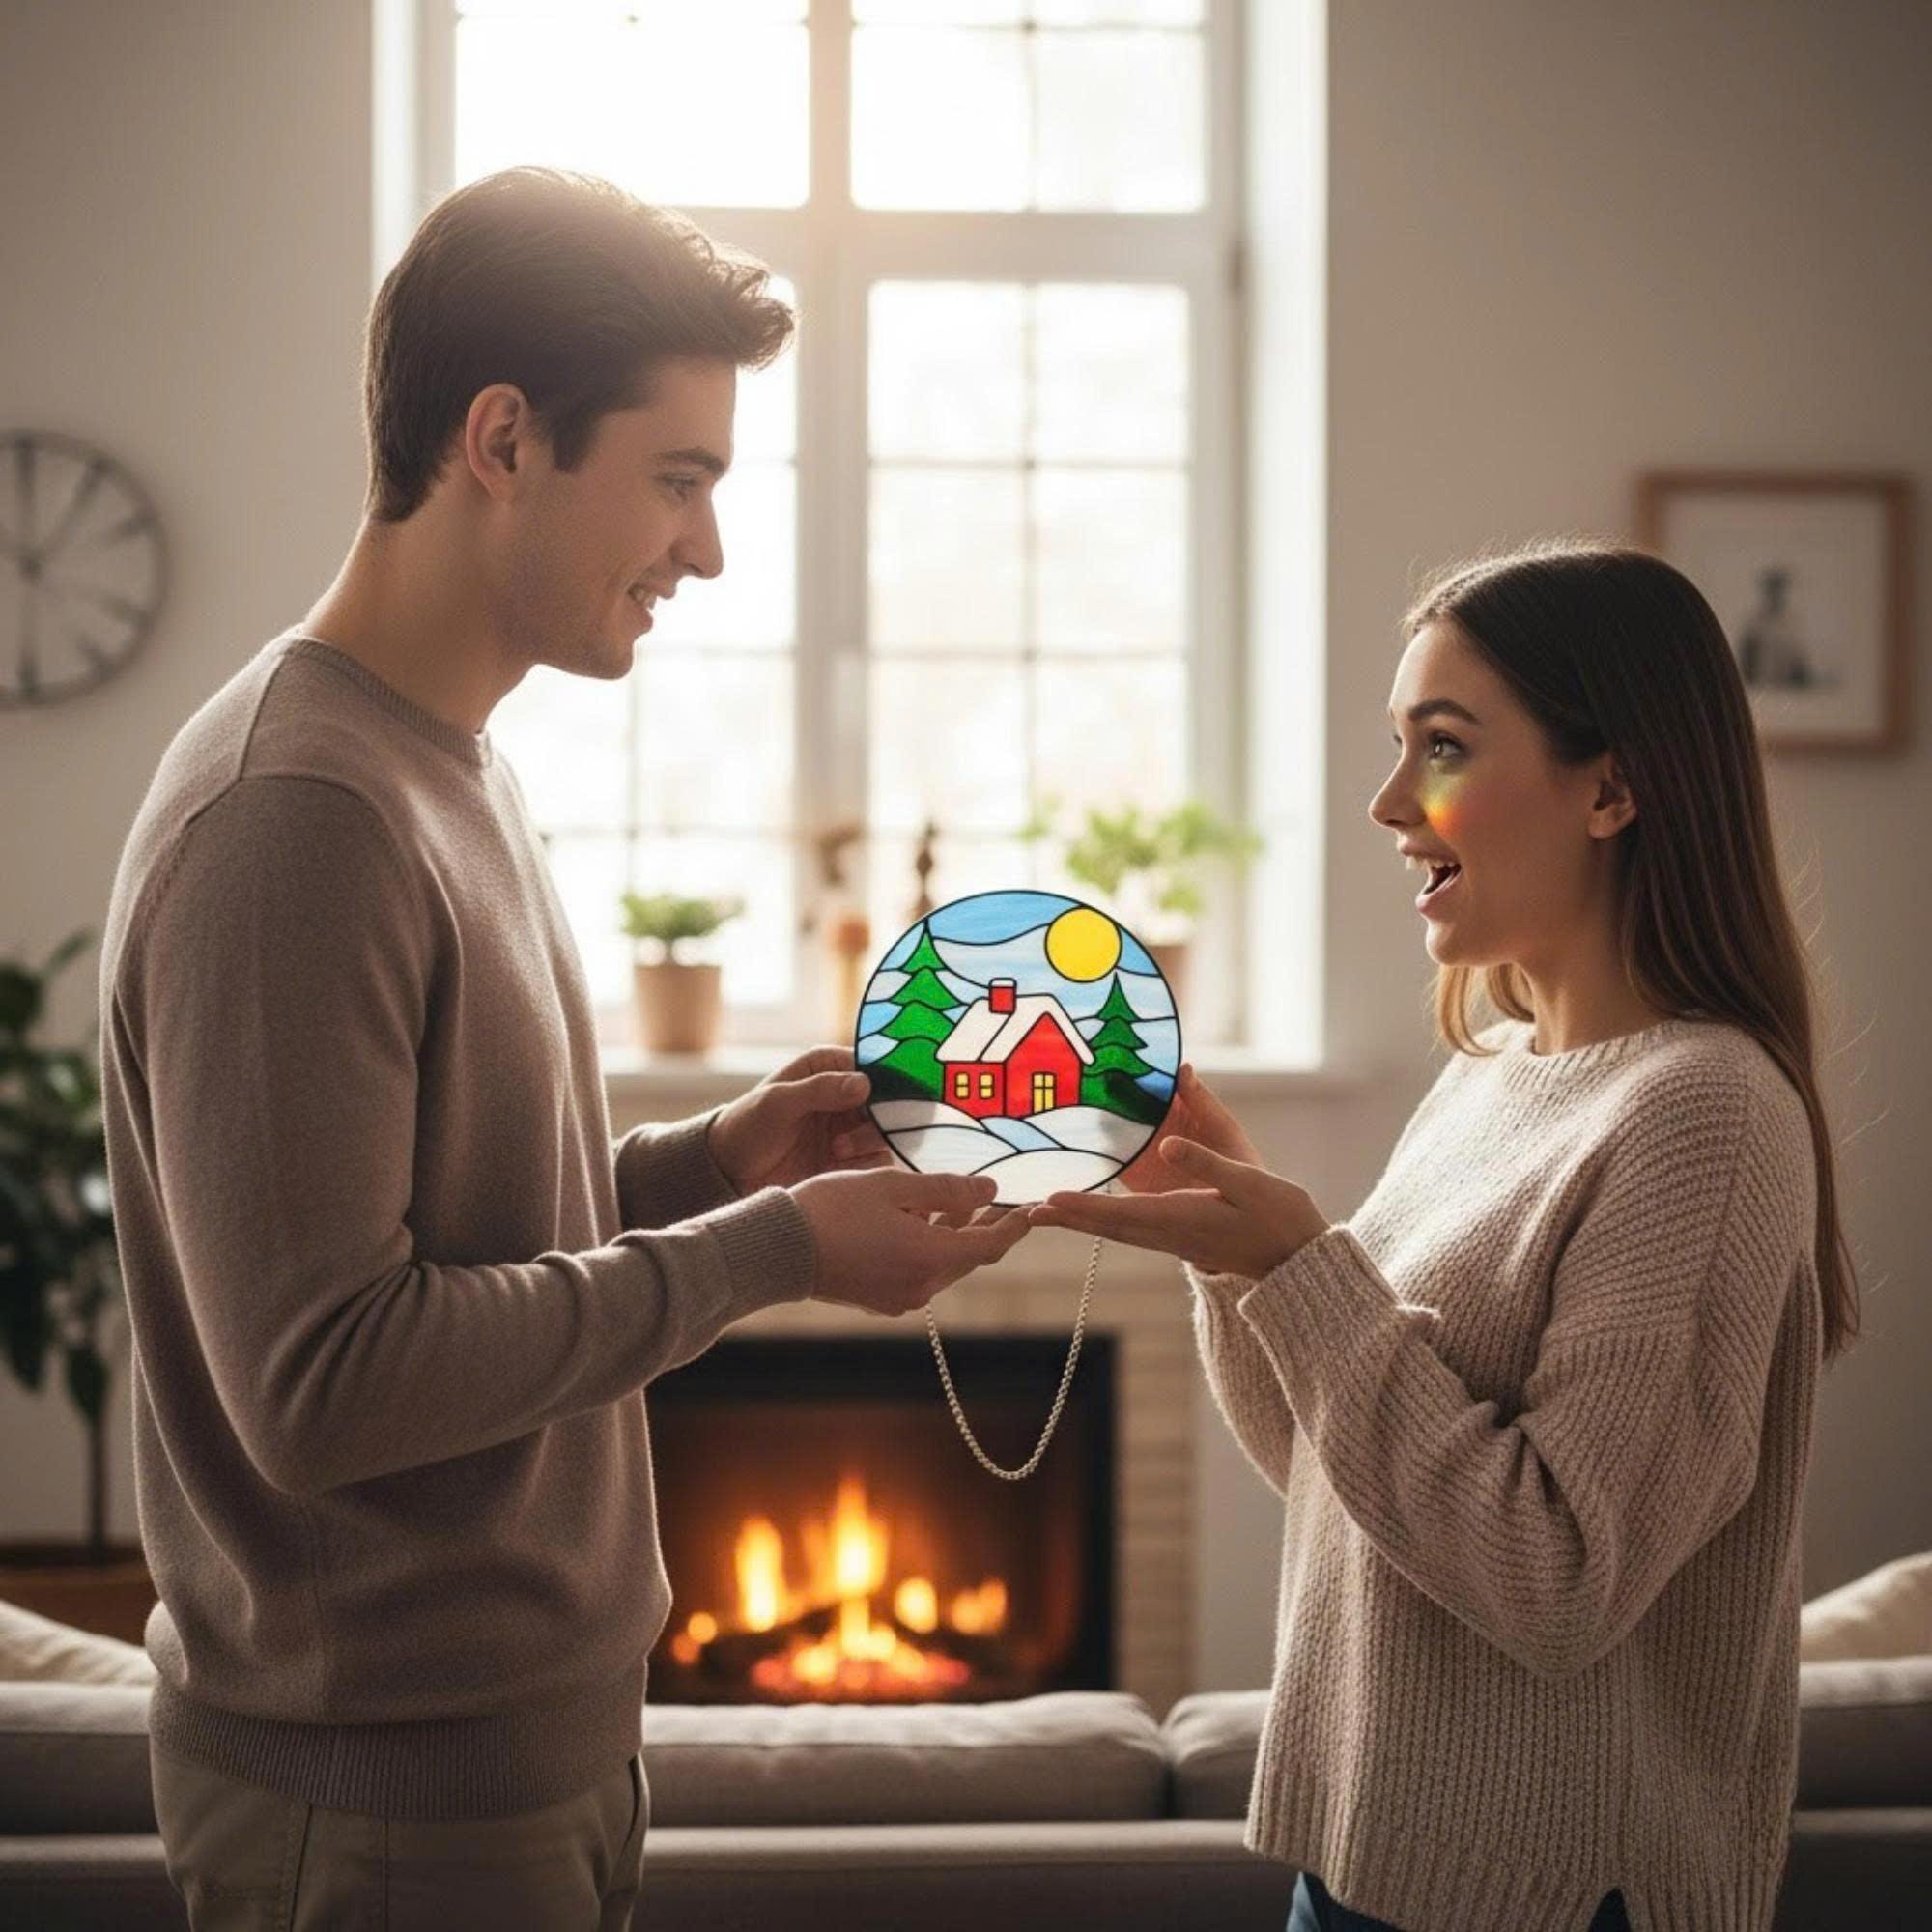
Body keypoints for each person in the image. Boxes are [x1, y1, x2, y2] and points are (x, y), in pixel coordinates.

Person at [99, 166, 1025, 1931]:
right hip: (386, 1815)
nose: (709, 550)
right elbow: (326, 1381)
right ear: (504, 439)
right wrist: (770, 1253)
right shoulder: (297, 817)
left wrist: (710, 1165)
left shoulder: (446, 767)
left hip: (524, 1772)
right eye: (678, 479)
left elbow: (440, 1234)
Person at [1027, 540, 1857, 1932]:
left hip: (1549, 1900)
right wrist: (1241, 1257)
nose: (1389, 801)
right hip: (1369, 1864)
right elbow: (1346, 1481)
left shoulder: (1703, 1114)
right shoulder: (1495, 1073)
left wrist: (1305, 1272)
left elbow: (1556, 1576)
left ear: (1613, 789)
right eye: (1399, 745)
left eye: (1446, 746)